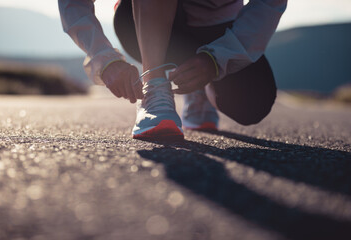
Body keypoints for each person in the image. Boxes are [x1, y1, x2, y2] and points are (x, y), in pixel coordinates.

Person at [58, 0, 287, 141]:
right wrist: (104, 59)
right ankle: (155, 88)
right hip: (141, 21)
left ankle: (198, 88)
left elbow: (269, 4)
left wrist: (216, 60)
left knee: (252, 104)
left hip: (220, 27)